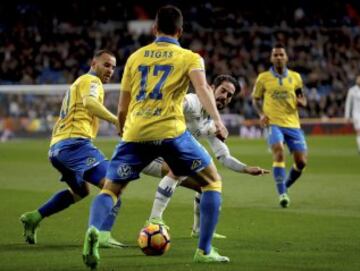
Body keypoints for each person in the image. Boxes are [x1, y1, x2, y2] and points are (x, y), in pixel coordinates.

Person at [82, 5, 231, 268]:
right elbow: (202, 89)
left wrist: (123, 128)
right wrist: (218, 121)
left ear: (154, 29)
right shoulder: (190, 57)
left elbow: (122, 106)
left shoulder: (135, 57)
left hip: (135, 132)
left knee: (111, 189)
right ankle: (204, 251)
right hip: (170, 132)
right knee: (211, 181)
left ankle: (93, 230)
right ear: (180, 30)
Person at [20, 50, 125, 248]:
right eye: (106, 64)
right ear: (94, 63)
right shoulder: (91, 81)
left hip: (57, 149)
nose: (110, 70)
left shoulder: (79, 83)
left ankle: (34, 217)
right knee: (114, 184)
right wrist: (115, 120)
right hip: (75, 144)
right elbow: (90, 103)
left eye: (113, 66)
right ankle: (102, 234)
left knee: (80, 191)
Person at [142, 74, 269, 238]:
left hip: (168, 155)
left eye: (229, 96)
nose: (224, 97)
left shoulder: (210, 122)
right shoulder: (193, 101)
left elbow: (224, 157)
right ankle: (154, 220)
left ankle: (198, 230)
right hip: (151, 152)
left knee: (207, 182)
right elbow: (174, 106)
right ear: (211, 88)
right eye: (223, 91)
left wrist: (246, 169)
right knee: (181, 167)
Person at [252, 43, 308, 208]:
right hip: (273, 122)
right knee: (278, 150)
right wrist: (261, 114)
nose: (278, 57)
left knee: (301, 162)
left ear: (286, 57)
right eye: (275, 55)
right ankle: (282, 194)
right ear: (271, 58)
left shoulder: (296, 77)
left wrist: (302, 102)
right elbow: (255, 99)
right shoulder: (263, 78)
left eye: (281, 55)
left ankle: (285, 185)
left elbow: (302, 97)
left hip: (293, 123)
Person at [345, 75, 360, 154]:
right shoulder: (352, 90)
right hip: (356, 114)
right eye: (358, 79)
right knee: (358, 131)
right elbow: (348, 103)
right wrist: (347, 116)